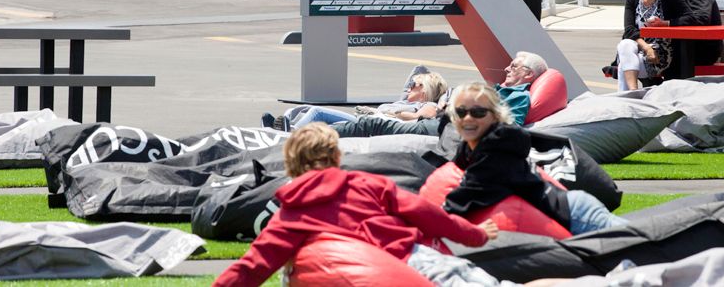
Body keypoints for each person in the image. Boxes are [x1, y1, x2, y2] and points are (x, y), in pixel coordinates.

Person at [213, 123, 506, 287]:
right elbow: (427, 214)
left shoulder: (292, 214)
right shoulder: (366, 183)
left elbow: (253, 267)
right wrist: (475, 234)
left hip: (386, 274)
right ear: (336, 157)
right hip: (423, 259)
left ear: (290, 164)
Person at [444, 82, 627, 235]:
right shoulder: (469, 147)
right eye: (460, 112)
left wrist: (436, 217)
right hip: (569, 207)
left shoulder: (497, 151)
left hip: (576, 214)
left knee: (638, 246)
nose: (468, 118)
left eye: (478, 112)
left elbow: (469, 194)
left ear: (495, 116)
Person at [329, 52, 549, 138]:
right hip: (444, 122)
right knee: (371, 123)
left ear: (528, 74)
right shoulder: (501, 90)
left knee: (372, 124)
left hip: (445, 128)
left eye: (514, 66)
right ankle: (316, 135)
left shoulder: (518, 96)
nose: (507, 69)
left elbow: (510, 127)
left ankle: (314, 138)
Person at [261, 72, 447, 131]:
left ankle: (289, 133)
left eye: (413, 84)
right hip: (364, 121)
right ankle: (279, 126)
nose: (408, 87)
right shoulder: (404, 101)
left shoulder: (427, 105)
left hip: (370, 126)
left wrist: (386, 113)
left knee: (317, 112)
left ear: (424, 90)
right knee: (301, 110)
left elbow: (419, 119)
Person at [617, 0, 695, 91]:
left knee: (623, 66)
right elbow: (629, 30)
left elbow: (690, 18)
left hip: (659, 56)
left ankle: (630, 96)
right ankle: (633, 92)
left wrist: (665, 23)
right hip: (638, 50)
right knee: (625, 44)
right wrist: (646, 48)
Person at [663, 0, 722, 77]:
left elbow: (701, 19)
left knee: (652, 60)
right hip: (689, 49)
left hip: (700, 52)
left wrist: (668, 23)